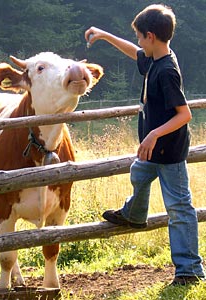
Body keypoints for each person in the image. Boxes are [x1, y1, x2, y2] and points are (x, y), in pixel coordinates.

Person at [85, 4, 205, 286]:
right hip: (152, 151)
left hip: (169, 152)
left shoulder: (166, 71)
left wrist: (153, 135)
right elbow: (135, 52)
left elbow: (184, 114)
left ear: (150, 36)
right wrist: (105, 35)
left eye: (140, 37)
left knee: (179, 208)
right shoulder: (156, 57)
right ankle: (134, 215)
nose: (139, 43)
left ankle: (189, 270)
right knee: (139, 173)